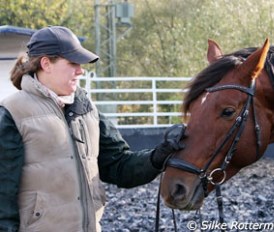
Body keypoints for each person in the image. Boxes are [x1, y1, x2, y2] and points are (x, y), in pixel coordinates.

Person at [0, 26, 185, 232]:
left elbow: (120, 166)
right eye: (72, 63)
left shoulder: (87, 109)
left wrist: (158, 156)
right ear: (46, 64)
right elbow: (2, 195)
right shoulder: (12, 113)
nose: (81, 71)